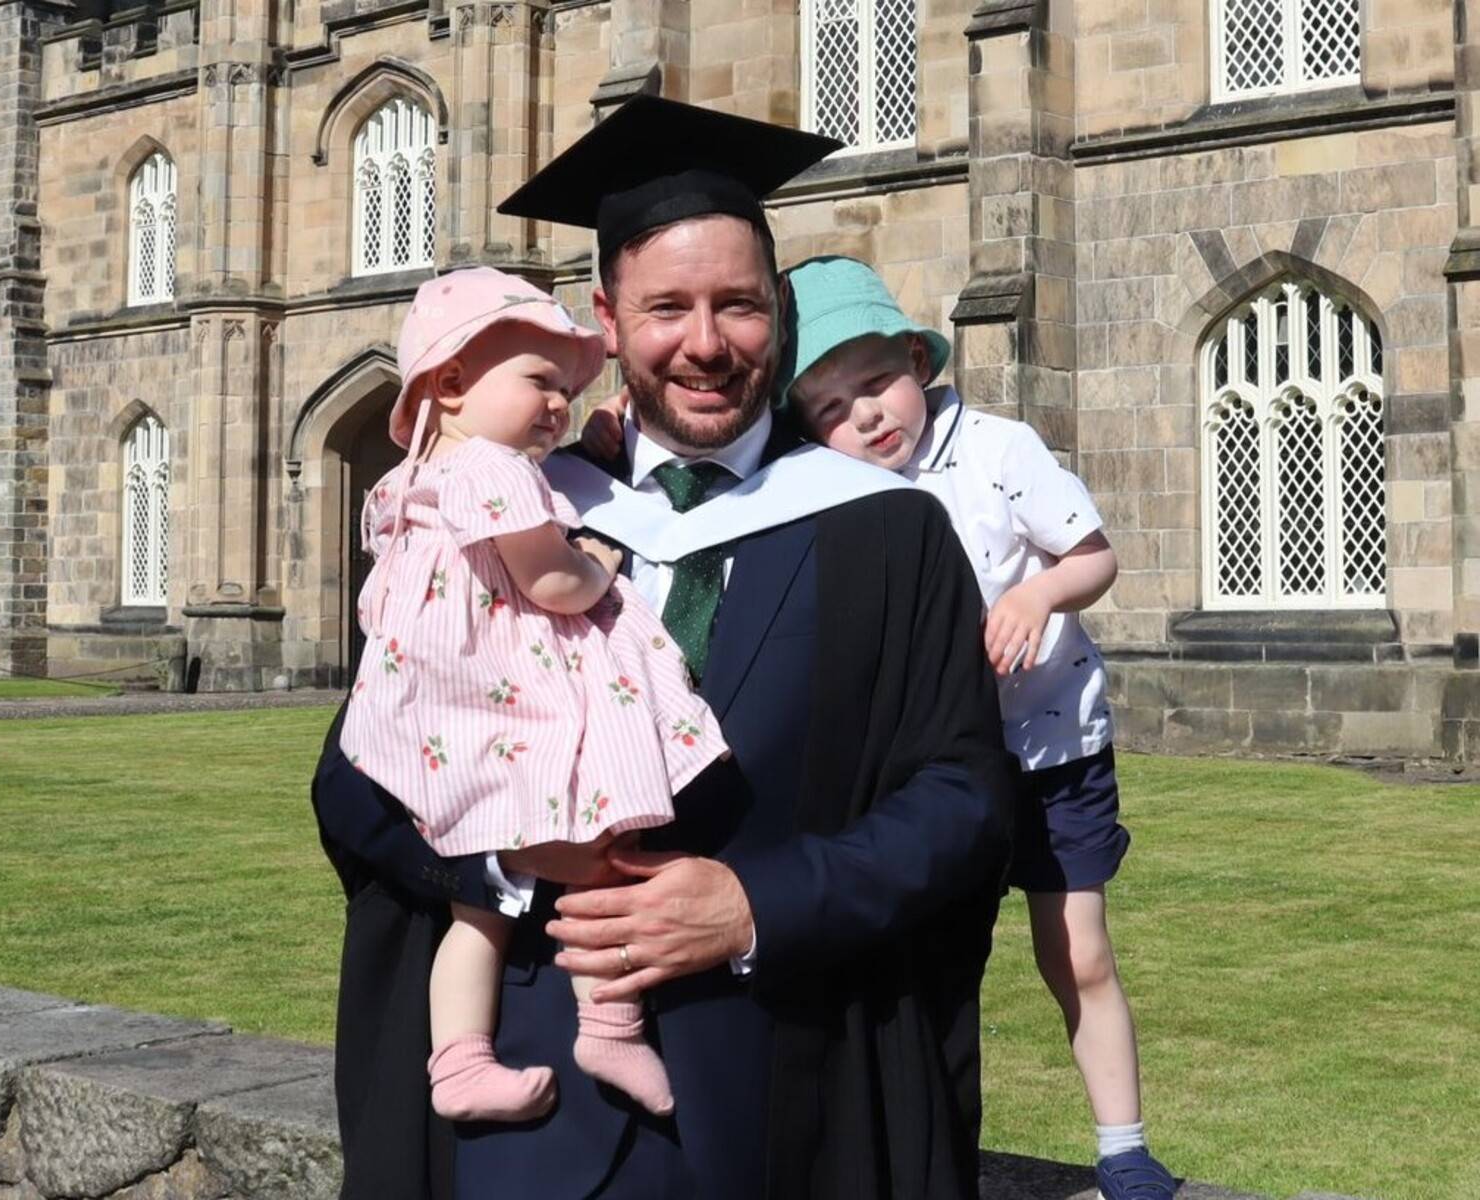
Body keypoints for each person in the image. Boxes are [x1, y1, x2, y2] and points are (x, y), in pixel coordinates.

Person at [311, 97, 1017, 1200]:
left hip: (783, 1093)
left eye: (736, 305)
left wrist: (753, 907)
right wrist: (497, 860)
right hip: (524, 1108)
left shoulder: (883, 529)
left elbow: (965, 798)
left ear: (775, 315)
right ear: (602, 317)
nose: (704, 342)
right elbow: (354, 773)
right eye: (666, 308)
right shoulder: (496, 514)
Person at [769, 256, 1176, 1200]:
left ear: (917, 358)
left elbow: (1095, 555)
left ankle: (1124, 1147)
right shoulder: (833, 484)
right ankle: (938, 1154)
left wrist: (1037, 592)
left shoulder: (999, 447)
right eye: (831, 406)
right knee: (936, 969)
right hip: (942, 771)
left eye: (875, 383)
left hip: (1051, 754)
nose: (865, 417)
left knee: (1075, 950)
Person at [339, 266, 727, 1125]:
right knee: (606, 845)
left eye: (569, 387)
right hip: (509, 706)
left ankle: (461, 1061)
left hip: (432, 716)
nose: (557, 404)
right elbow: (550, 582)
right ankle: (611, 1020)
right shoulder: (498, 469)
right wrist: (599, 567)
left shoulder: (410, 481)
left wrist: (587, 435)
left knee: (477, 907)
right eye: (540, 381)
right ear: (449, 384)